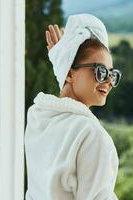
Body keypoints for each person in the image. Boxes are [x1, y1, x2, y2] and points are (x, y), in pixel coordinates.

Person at [24, 13, 122, 200]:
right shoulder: (91, 135)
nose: (109, 80)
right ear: (69, 74)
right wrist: (64, 59)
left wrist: (63, 60)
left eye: (112, 73)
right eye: (100, 72)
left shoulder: (38, 117)